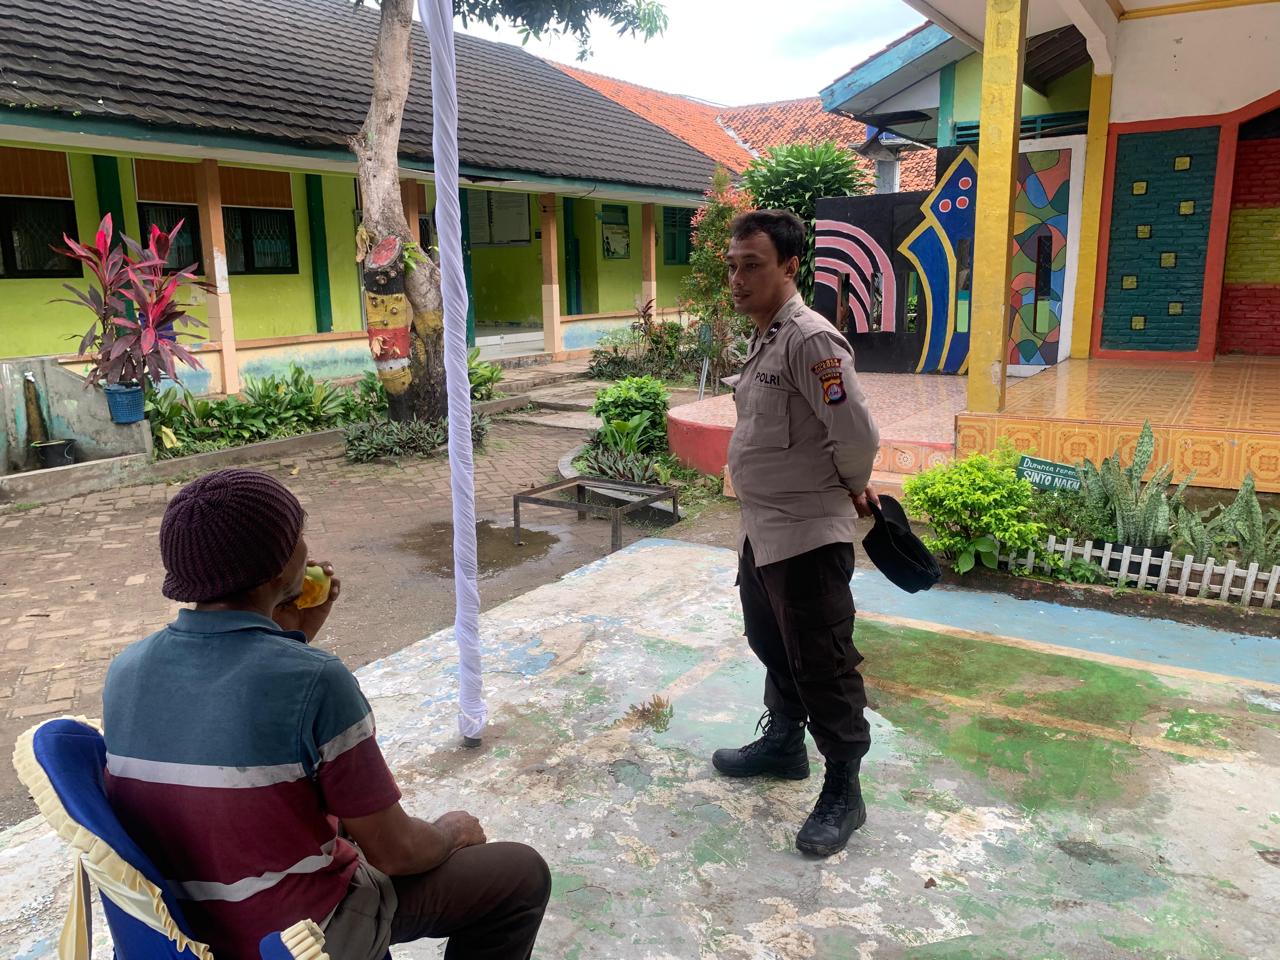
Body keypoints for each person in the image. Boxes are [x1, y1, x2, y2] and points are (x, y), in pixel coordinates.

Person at [102, 468, 551, 960]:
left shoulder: (126, 669)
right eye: (298, 536)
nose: (306, 548)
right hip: (296, 936)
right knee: (520, 874)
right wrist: (451, 832)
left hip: (183, 929)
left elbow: (232, 739)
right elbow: (395, 853)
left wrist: (291, 642)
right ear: (280, 569)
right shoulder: (315, 681)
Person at [713, 210, 881, 858]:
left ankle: (844, 789)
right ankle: (785, 744)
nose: (738, 278)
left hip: (807, 536)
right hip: (763, 532)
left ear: (789, 266)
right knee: (772, 642)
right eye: (733, 266)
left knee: (822, 663)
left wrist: (852, 483)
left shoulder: (811, 340)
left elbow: (855, 433)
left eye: (752, 266)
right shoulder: (768, 336)